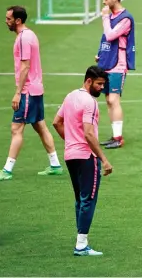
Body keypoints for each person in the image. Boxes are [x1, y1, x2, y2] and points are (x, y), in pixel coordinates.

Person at [0, 6, 63, 181]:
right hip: (36, 89)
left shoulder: (23, 38)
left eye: (8, 19)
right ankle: (55, 165)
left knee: (16, 128)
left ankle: (7, 170)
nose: (6, 21)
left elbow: (25, 66)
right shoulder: (30, 35)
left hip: (28, 91)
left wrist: (18, 93)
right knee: (40, 125)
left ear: (18, 20)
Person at [52, 65, 114, 256]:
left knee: (80, 199)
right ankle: (81, 245)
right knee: (88, 199)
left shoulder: (70, 96)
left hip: (70, 155)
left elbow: (56, 122)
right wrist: (104, 159)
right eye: (99, 84)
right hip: (87, 156)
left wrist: (70, 140)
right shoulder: (89, 102)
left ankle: (81, 241)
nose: (101, 88)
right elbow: (88, 132)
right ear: (88, 81)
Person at [96, 0, 136, 150]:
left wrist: (105, 18)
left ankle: (119, 138)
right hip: (106, 61)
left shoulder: (126, 18)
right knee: (108, 100)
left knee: (114, 99)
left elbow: (111, 35)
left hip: (118, 64)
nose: (104, 2)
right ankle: (114, 136)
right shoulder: (112, 16)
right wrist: (100, 53)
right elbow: (106, 39)